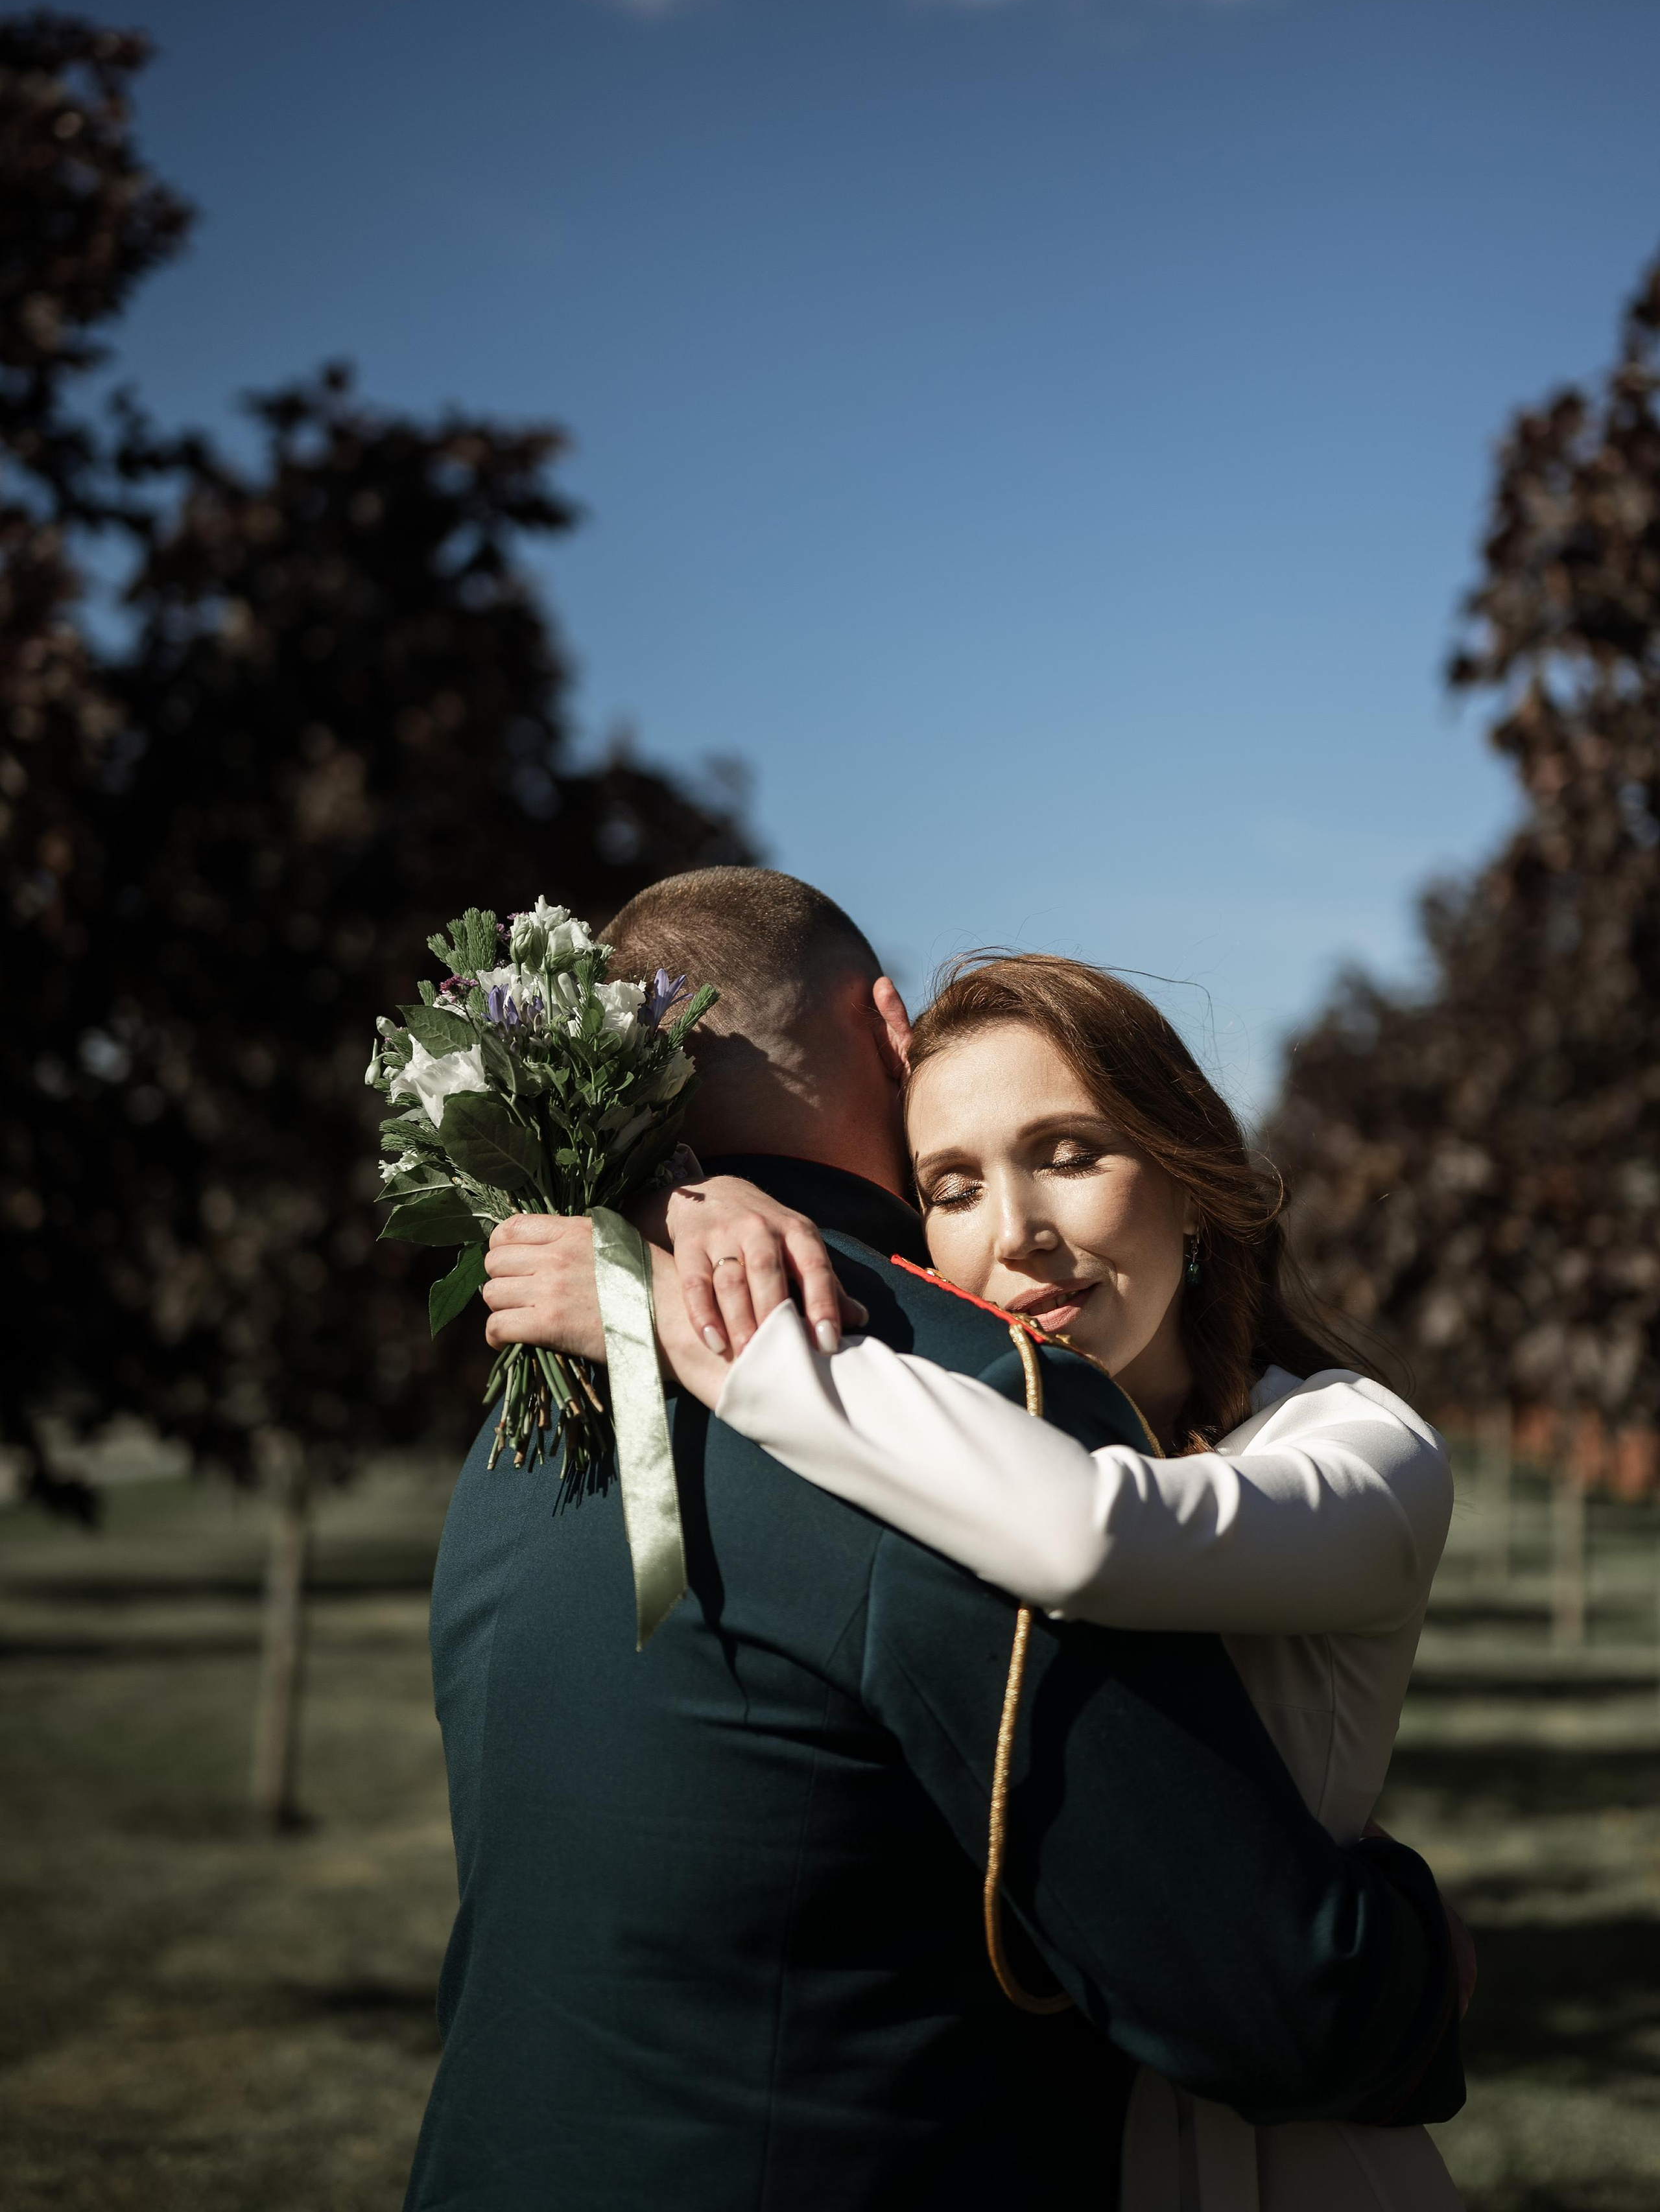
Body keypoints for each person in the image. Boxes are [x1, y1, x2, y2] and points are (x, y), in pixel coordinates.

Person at [407, 867, 1462, 2212]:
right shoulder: (981, 1404)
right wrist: (1421, 1950)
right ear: (891, 1034)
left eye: (1069, 1151)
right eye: (950, 1179)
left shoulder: (529, 1409)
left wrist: (671, 1253)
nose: (1011, 1232)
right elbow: (1270, 1997)